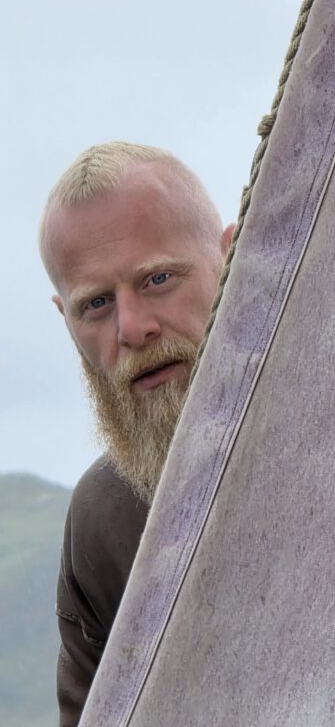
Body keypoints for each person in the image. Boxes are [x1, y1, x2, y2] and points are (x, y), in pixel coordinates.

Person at [38, 142, 234, 727]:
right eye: (96, 304)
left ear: (231, 255)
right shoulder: (103, 518)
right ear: (66, 321)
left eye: (158, 279)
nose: (132, 328)